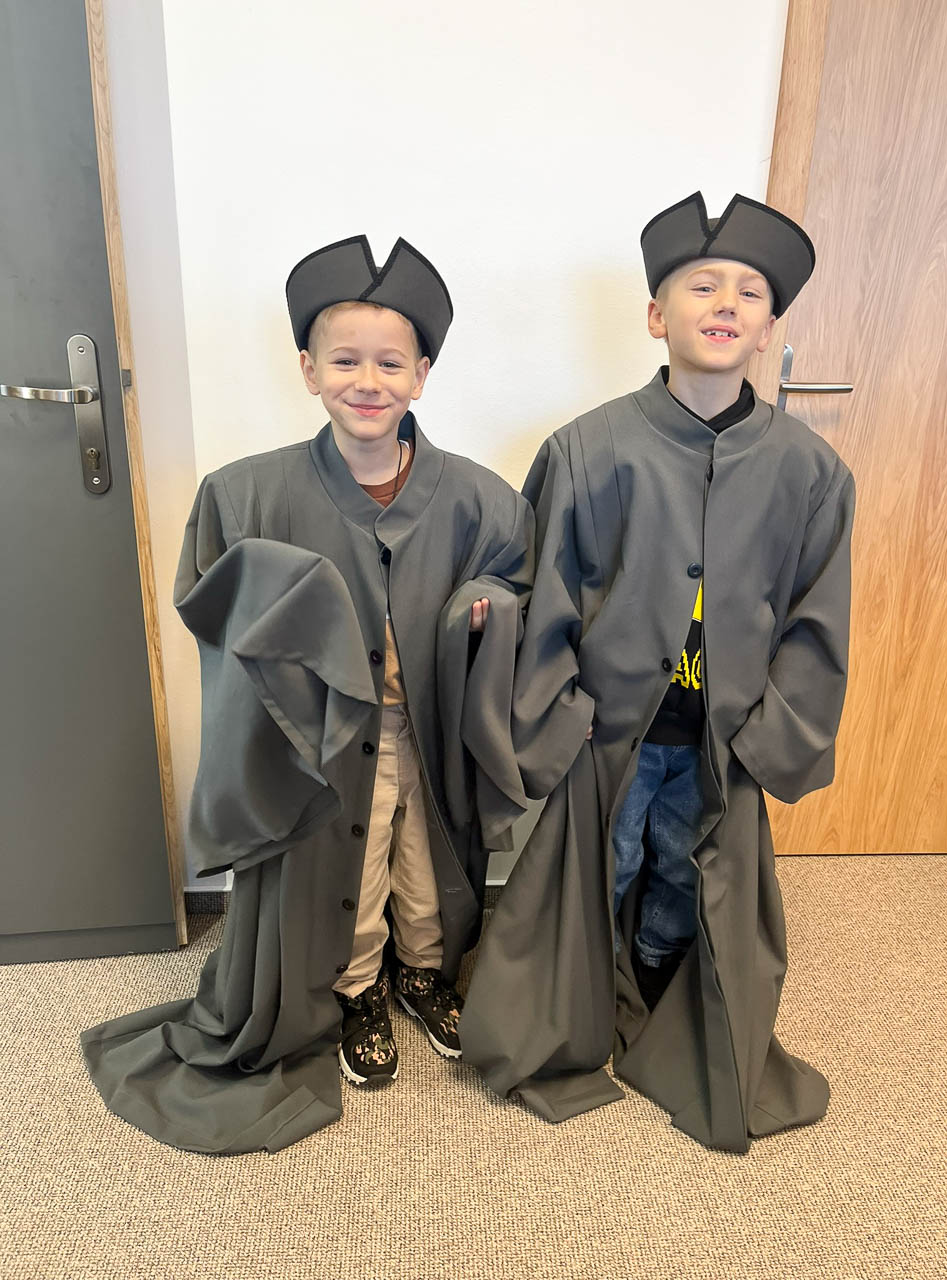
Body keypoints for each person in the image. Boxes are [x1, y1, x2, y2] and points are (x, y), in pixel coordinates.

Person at [82, 235, 532, 1154]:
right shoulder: (247, 494)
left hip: (426, 726)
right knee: (350, 868)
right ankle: (358, 988)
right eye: (345, 360)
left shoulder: (480, 500)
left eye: (391, 363)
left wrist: (484, 608)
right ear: (307, 369)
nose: (367, 381)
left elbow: (514, 579)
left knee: (425, 855)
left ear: (422, 376)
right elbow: (212, 598)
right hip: (322, 743)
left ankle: (424, 972)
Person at [460, 192, 855, 1153]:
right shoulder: (587, 449)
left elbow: (818, 621)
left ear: (769, 328)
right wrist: (561, 716)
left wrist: (771, 737)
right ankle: (587, 1001)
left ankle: (661, 988)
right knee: (610, 859)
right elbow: (545, 587)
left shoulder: (811, 473)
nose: (725, 303)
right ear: (655, 315)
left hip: (724, 734)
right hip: (614, 729)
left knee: (686, 868)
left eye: (749, 292)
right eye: (701, 285)